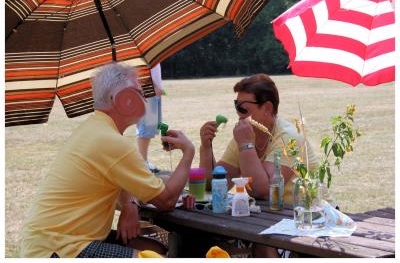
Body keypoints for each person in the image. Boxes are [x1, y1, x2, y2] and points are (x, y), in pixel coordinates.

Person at [20, 63, 195, 258]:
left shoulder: (95, 128)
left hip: (53, 240)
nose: (145, 99)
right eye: (138, 93)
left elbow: (117, 173)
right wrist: (188, 152)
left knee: (156, 250)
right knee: (153, 258)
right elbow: (167, 201)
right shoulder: (111, 142)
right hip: (61, 247)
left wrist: (130, 205)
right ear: (122, 100)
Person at [199, 73, 319, 257]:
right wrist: (206, 148)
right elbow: (214, 185)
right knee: (205, 238)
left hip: (308, 219)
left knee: (263, 246)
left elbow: (263, 190)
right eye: (236, 106)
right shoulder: (245, 136)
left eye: (243, 108)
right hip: (271, 218)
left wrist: (246, 145)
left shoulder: (289, 138)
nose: (238, 114)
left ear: (267, 108)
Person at [136, 63, 163, 173]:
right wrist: (153, 87)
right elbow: (141, 69)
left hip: (154, 93)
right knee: (146, 128)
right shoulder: (142, 55)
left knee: (150, 128)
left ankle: (143, 160)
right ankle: (142, 162)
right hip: (148, 92)